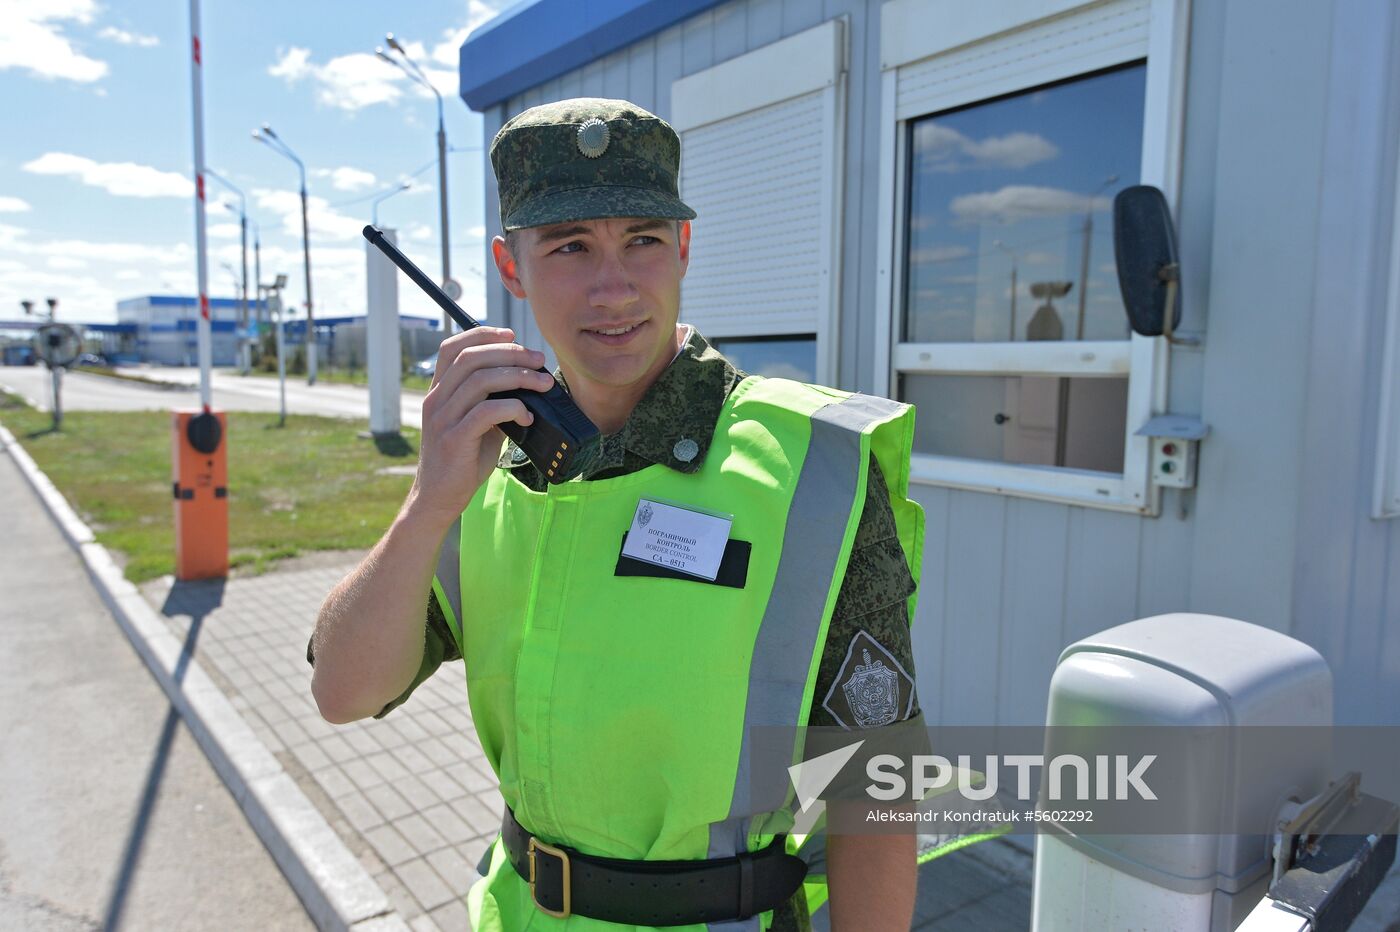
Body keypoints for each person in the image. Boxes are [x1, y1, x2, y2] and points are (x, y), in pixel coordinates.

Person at [308, 97, 927, 931]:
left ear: (683, 247)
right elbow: (344, 692)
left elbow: (875, 788)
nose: (615, 287)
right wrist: (428, 504)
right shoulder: (488, 461)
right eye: (571, 246)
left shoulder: (813, 465)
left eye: (643, 239)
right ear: (511, 267)